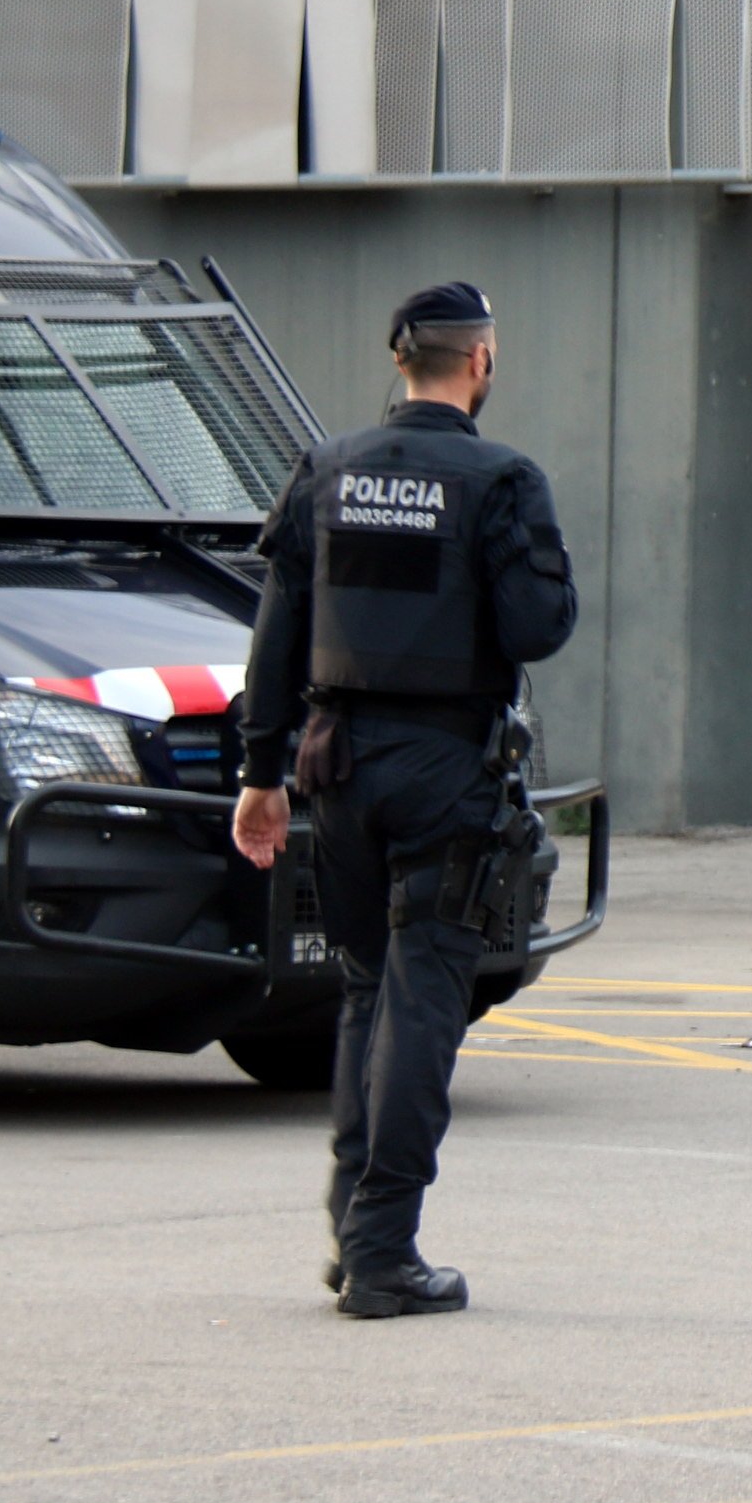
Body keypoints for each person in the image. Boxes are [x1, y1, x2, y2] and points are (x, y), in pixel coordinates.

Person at [230, 281, 579, 1319]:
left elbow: (277, 631)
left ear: (401, 361)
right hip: (442, 768)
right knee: (425, 994)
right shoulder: (502, 477)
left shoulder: (327, 469)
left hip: (334, 767)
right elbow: (536, 627)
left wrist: (259, 774)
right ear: (479, 362)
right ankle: (383, 1251)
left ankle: (355, 1230)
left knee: (366, 989)